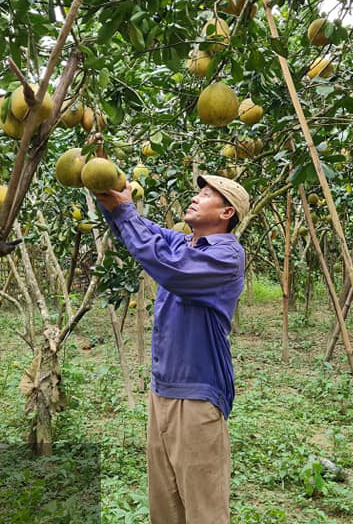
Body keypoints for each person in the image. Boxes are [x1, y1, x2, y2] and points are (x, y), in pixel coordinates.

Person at [97, 174, 249, 524]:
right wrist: (109, 196)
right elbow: (138, 232)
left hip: (197, 395)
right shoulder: (186, 244)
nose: (197, 197)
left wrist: (125, 210)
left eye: (208, 194)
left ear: (227, 212)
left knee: (203, 508)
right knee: (165, 505)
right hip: (161, 391)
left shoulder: (226, 255)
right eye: (199, 191)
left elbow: (170, 269)